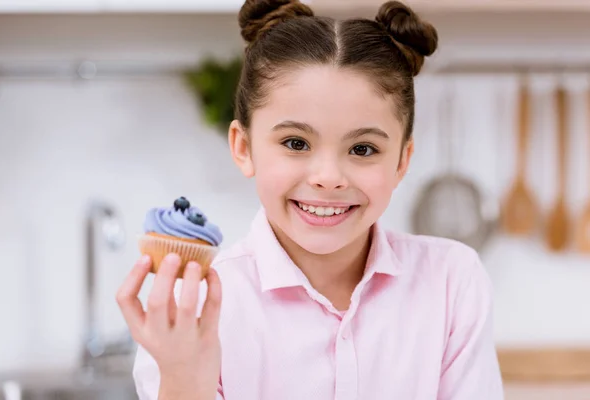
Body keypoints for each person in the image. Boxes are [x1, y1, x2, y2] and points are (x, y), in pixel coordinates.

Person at [116, 0, 505, 399]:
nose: (329, 178)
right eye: (296, 143)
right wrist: (183, 378)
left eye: (363, 149)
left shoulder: (451, 281)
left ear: (402, 160)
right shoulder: (192, 309)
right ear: (244, 147)